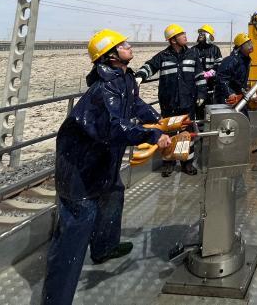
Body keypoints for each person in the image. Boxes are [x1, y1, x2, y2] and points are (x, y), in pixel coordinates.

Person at [41, 29, 171, 305]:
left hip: (104, 159)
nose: (129, 46)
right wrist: (151, 135)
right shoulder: (103, 89)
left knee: (113, 194)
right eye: (123, 45)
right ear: (111, 56)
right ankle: (55, 299)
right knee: (76, 229)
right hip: (80, 167)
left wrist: (158, 120)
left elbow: (134, 104)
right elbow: (114, 127)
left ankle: (104, 248)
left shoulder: (124, 79)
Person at [138, 24, 202, 176]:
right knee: (169, 133)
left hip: (188, 101)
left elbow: (199, 76)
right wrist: (139, 76)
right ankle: (168, 163)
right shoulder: (163, 56)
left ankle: (187, 163)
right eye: (181, 34)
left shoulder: (192, 54)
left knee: (187, 134)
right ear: (173, 40)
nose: (185, 36)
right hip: (169, 102)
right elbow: (149, 66)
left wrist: (201, 95)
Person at [217, 32, 254, 114]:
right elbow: (222, 78)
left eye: (250, 43)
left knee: (243, 118)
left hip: (239, 97)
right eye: (247, 44)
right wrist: (230, 93)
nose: (250, 46)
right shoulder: (231, 61)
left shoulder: (245, 61)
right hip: (229, 99)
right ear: (240, 47)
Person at [192, 24, 223, 107]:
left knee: (211, 108)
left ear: (209, 35)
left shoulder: (215, 49)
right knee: (198, 109)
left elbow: (219, 66)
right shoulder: (193, 50)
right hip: (197, 86)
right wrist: (200, 75)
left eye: (203, 33)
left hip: (212, 85)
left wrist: (210, 73)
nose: (200, 35)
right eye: (199, 33)